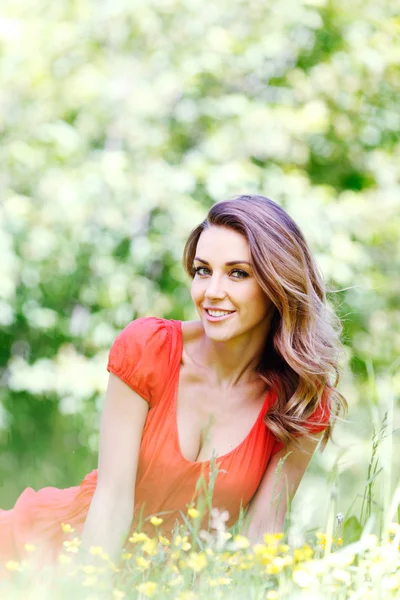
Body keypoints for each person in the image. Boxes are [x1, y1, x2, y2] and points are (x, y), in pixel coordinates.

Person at [0, 194, 346, 566]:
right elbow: (112, 499)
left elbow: (261, 534)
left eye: (238, 273)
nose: (211, 292)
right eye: (202, 270)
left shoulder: (302, 400)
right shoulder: (149, 348)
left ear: (277, 284)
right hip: (46, 555)